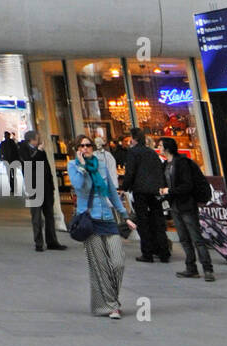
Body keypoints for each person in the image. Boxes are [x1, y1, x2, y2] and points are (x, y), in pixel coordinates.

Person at [68, 134, 135, 318]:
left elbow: (112, 193)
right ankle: (112, 305)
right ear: (77, 149)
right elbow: (79, 186)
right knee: (101, 267)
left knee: (118, 262)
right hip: (90, 220)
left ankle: (108, 301)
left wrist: (124, 215)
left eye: (88, 145)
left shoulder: (102, 165)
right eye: (81, 146)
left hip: (107, 218)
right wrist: (82, 167)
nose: (85, 148)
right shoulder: (73, 166)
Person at [158, 138, 215, 282]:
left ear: (167, 148)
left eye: (160, 145)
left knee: (196, 237)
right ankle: (191, 267)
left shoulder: (181, 163)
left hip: (186, 204)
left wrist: (169, 191)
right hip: (175, 205)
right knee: (184, 238)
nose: (158, 148)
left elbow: (187, 185)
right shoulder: (165, 165)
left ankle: (207, 268)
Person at [121, 127, 170, 262]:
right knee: (157, 220)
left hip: (140, 190)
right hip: (154, 191)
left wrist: (124, 187)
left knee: (143, 222)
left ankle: (147, 252)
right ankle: (163, 251)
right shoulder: (151, 153)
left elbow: (130, 172)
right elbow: (158, 171)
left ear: (134, 139)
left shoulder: (133, 153)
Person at [18, 129, 64, 252]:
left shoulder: (40, 151)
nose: (39, 140)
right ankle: (39, 242)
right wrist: (38, 152)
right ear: (31, 140)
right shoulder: (23, 150)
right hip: (34, 187)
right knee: (37, 216)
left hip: (46, 187)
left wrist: (52, 185)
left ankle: (52, 241)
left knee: (49, 215)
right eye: (37, 138)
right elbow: (29, 165)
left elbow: (47, 168)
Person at [0, 130, 20, 194]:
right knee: (11, 175)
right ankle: (13, 187)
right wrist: (1, 159)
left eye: (7, 135)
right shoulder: (5, 143)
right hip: (8, 161)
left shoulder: (10, 142)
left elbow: (16, 151)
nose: (6, 137)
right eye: (6, 136)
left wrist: (1, 158)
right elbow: (0, 152)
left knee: (12, 175)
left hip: (11, 161)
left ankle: (14, 187)